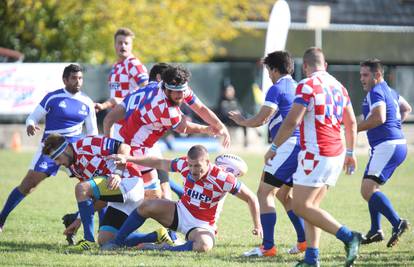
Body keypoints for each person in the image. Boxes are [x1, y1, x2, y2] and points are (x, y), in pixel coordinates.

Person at [264, 47, 361, 267]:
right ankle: (311, 258)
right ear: (325, 66)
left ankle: (349, 236)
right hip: (336, 153)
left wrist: (274, 147)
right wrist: (351, 153)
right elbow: (352, 123)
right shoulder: (340, 87)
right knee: (311, 206)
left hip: (316, 153)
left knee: (300, 206)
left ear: (305, 67)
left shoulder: (306, 85)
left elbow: (291, 122)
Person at [101, 145, 262, 252]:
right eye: (191, 165)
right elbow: (158, 162)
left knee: (204, 245)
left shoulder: (223, 178)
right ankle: (117, 242)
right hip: (180, 211)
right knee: (146, 206)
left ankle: (162, 248)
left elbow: (251, 198)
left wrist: (257, 225)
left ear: (207, 162)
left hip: (202, 224)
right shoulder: (185, 165)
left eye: (197, 166)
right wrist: (128, 159)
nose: (193, 170)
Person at [0, 64, 98, 233]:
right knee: (29, 184)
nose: (78, 82)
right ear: (65, 79)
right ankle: (1, 220)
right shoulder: (53, 97)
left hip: (74, 153)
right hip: (51, 150)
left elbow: (92, 133)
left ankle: (80, 222)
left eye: (80, 78)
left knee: (94, 187)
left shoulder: (87, 102)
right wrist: (31, 124)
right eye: (74, 78)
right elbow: (33, 117)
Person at [230, 51, 306, 257]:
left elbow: (262, 119)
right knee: (283, 194)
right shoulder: (299, 86)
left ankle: (268, 247)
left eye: (268, 70)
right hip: (302, 146)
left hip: (287, 146)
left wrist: (242, 121)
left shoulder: (277, 88)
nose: (268, 75)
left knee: (264, 193)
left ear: (274, 69)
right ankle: (304, 242)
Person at [42, 133, 174, 252]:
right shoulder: (74, 167)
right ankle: (158, 235)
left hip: (129, 181)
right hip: (120, 196)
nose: (59, 163)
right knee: (105, 240)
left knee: (81, 187)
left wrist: (117, 173)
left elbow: (123, 146)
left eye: (58, 158)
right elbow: (96, 200)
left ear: (65, 149)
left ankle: (87, 241)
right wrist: (78, 219)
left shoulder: (86, 144)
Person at [357, 59, 411, 247]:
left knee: (367, 190)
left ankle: (397, 223)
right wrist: (394, 126)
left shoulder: (376, 91)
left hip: (387, 146)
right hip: (392, 145)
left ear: (377, 75)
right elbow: (406, 108)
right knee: (370, 187)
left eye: (365, 75)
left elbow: (379, 117)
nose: (361, 79)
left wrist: (353, 129)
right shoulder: (390, 91)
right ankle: (375, 230)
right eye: (361, 74)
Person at [95, 27, 149, 114]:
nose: (123, 46)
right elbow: (115, 97)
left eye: (126, 43)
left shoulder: (134, 64)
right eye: (120, 43)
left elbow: (147, 90)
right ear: (114, 45)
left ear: (131, 46)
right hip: (117, 119)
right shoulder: (116, 66)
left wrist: (128, 102)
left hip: (131, 117)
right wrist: (103, 106)